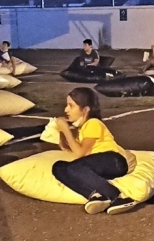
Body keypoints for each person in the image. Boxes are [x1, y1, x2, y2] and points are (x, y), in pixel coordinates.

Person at [51, 87, 138, 215]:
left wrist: (66, 130)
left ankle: (118, 197)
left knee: (75, 167)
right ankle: (96, 195)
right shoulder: (82, 129)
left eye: (71, 106)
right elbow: (70, 149)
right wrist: (61, 133)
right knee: (59, 167)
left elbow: (80, 153)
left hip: (113, 160)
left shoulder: (93, 123)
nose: (66, 110)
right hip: (97, 165)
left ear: (85, 110)